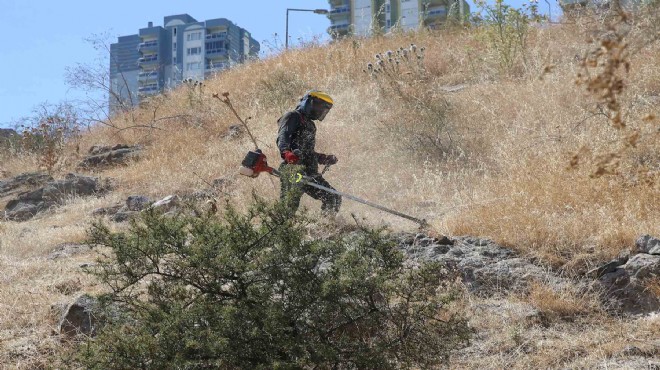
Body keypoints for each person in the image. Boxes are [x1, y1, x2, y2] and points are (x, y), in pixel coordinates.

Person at [276, 91, 341, 216]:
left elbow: (306, 152)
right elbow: (283, 137)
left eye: (323, 109)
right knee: (288, 206)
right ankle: (280, 232)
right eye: (318, 106)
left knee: (333, 197)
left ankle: (326, 227)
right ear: (308, 101)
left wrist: (322, 158)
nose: (319, 110)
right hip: (294, 171)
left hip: (310, 173)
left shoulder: (310, 124)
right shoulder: (292, 116)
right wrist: (286, 153)